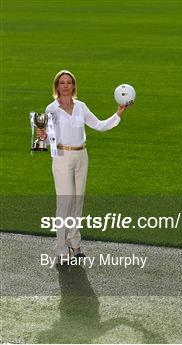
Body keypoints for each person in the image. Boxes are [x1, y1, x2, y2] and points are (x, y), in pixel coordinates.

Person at [37, 70, 129, 263]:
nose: (65, 86)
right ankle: (61, 250)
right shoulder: (51, 109)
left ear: (73, 86)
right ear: (56, 86)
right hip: (61, 156)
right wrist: (42, 137)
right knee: (64, 203)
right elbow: (43, 138)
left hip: (82, 155)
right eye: (61, 82)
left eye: (68, 82)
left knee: (78, 202)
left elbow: (99, 125)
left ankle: (75, 243)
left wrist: (118, 113)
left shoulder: (81, 106)